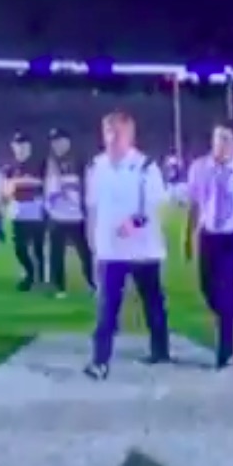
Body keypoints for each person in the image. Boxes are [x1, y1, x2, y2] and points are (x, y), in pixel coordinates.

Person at [84, 111, 172, 380]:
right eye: (108, 132)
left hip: (144, 250)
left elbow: (155, 206)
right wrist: (92, 239)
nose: (112, 138)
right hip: (110, 252)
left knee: (152, 302)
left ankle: (160, 350)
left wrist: (133, 224)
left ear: (130, 135)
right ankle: (100, 360)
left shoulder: (146, 166)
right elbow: (92, 206)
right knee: (106, 307)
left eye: (118, 133)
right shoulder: (96, 166)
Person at [185, 124, 233, 369]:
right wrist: (189, 235)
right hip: (209, 235)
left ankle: (226, 351)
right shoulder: (200, 168)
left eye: (225, 139)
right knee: (208, 289)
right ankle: (231, 319)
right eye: (217, 139)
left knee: (228, 292)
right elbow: (194, 204)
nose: (220, 144)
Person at [45, 128, 95, 296]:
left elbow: (88, 185)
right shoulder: (50, 162)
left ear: (68, 142)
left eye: (59, 141)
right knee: (56, 254)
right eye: (54, 142)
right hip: (56, 216)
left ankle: (92, 282)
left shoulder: (79, 161)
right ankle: (59, 286)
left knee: (85, 252)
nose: (56, 145)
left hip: (77, 216)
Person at [3, 133, 48, 291]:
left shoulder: (40, 164)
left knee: (38, 247)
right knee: (20, 248)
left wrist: (18, 182)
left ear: (29, 147)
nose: (20, 148)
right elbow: (6, 190)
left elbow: (44, 184)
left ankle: (40, 279)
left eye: (23, 145)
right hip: (18, 211)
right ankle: (29, 274)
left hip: (36, 210)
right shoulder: (9, 167)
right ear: (13, 147)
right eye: (17, 145)